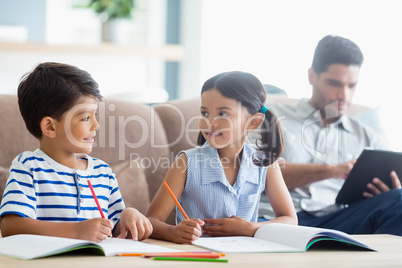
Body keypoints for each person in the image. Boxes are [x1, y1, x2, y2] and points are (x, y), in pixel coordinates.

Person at [258, 35, 402, 235]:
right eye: (335, 83)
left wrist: (389, 191)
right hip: (277, 219)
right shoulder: (271, 118)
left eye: (351, 86)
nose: (344, 94)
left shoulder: (369, 138)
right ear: (312, 76)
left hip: (337, 221)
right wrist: (330, 171)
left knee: (398, 199)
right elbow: (255, 173)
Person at [0, 62, 153, 242]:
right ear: (50, 126)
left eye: (95, 116)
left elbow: (114, 227)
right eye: (86, 118)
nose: (96, 125)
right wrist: (75, 231)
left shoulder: (103, 172)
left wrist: (129, 215)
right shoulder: (28, 167)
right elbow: (11, 226)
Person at [146, 71, 297, 244]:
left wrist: (249, 228)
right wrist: (173, 232)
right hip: (198, 256)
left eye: (223, 114)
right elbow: (151, 220)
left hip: (245, 257)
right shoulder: (186, 163)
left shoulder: (265, 164)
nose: (210, 122)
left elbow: (290, 219)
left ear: (253, 122)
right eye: (204, 113)